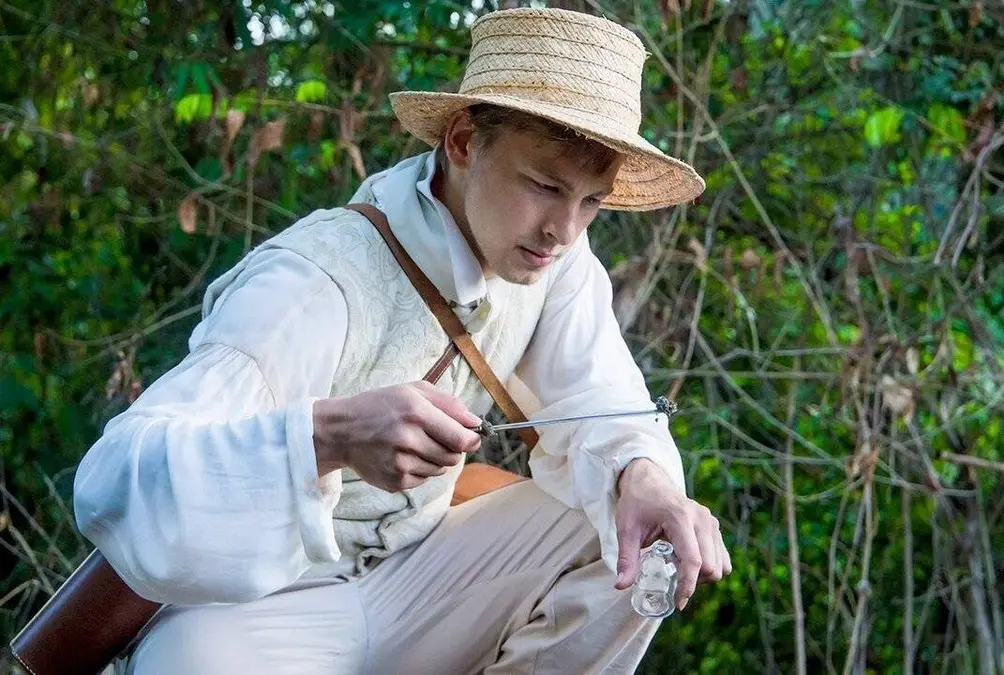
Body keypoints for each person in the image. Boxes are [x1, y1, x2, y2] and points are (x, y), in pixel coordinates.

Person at [72, 7, 730, 674]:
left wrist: (644, 476)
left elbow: (605, 399)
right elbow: (116, 479)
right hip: (263, 613)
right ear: (465, 142)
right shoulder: (320, 276)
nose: (564, 228)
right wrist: (324, 436)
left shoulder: (556, 264)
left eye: (591, 201)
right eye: (545, 186)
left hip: (424, 583)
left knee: (642, 533)